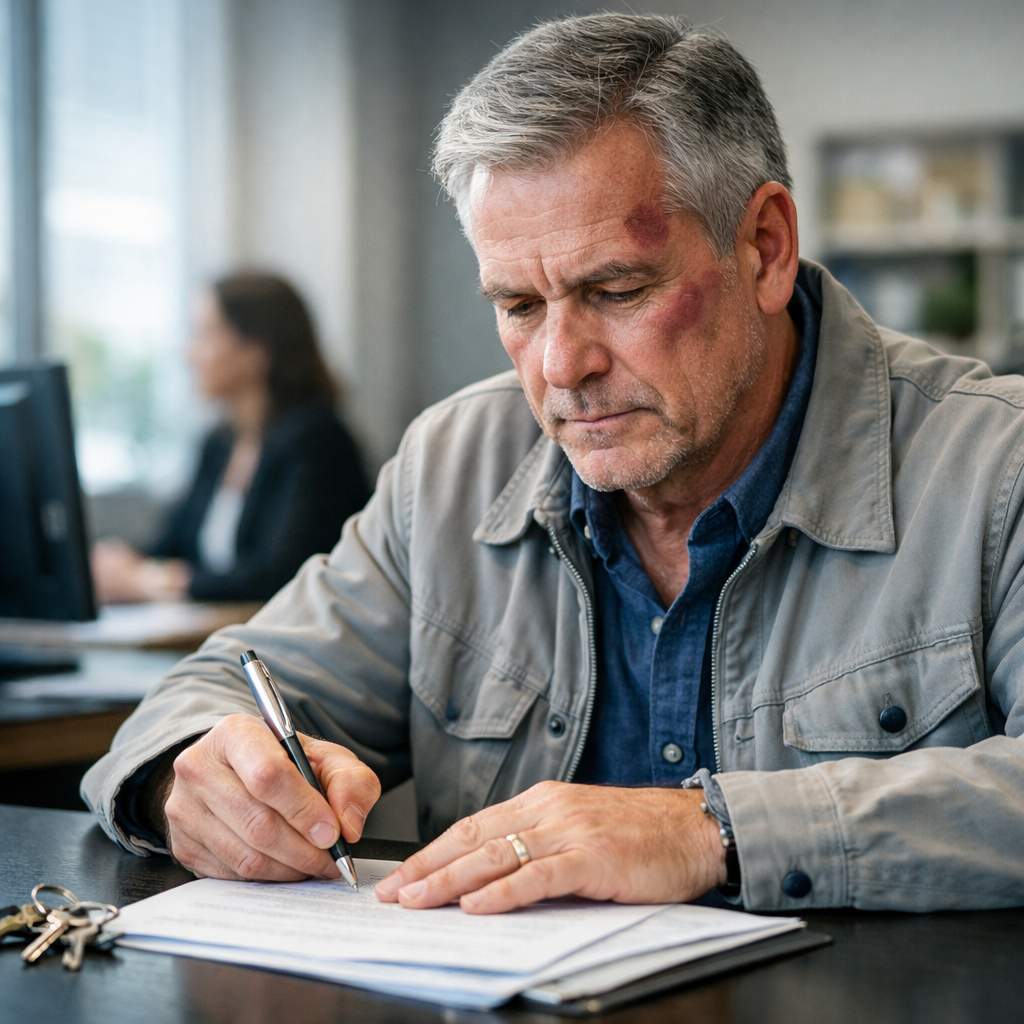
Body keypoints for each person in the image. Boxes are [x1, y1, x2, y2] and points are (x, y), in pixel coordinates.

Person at [83, 14, 1024, 914]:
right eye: (519, 307)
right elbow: (212, 689)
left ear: (765, 248)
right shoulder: (452, 467)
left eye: (616, 289)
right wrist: (193, 774)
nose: (562, 366)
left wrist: (711, 832)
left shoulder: (996, 467)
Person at [91, 272, 370, 603]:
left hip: (287, 633)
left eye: (205, 336)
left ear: (256, 350)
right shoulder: (220, 443)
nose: (190, 355)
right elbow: (171, 546)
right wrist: (120, 563)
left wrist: (153, 579)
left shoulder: (316, 439)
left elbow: (281, 575)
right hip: (227, 629)